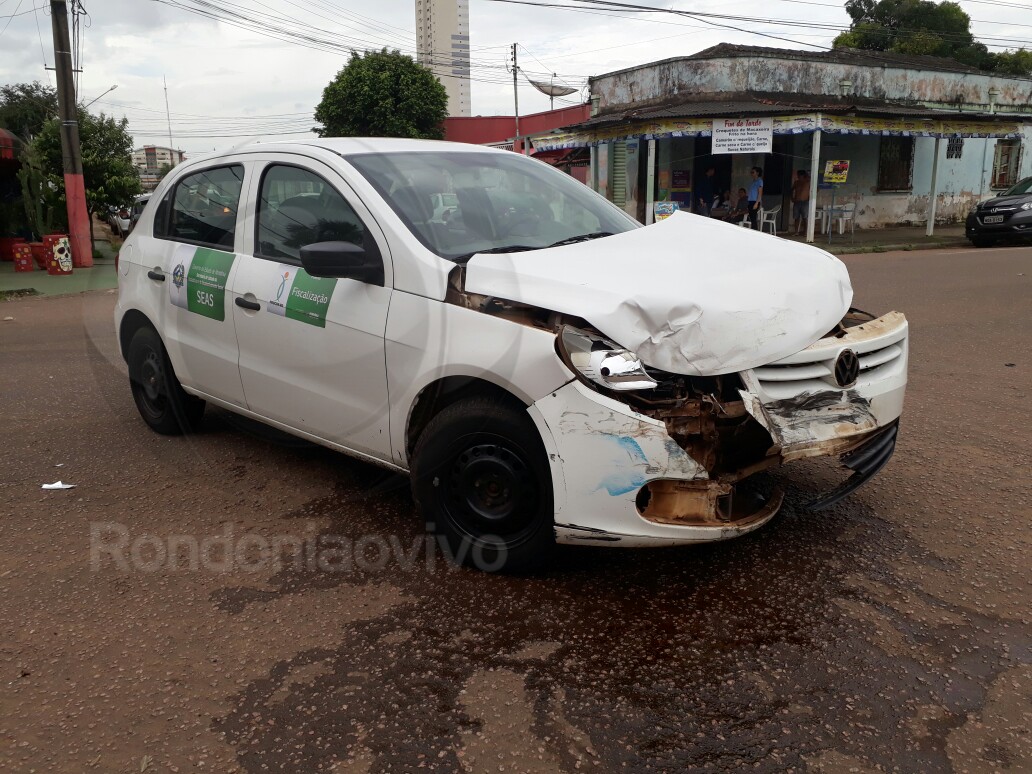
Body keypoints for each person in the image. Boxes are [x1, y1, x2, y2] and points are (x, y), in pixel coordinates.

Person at [791, 169, 811, 235]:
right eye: (798, 175)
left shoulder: (808, 182)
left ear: (803, 175)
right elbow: (792, 190)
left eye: (800, 175)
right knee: (796, 217)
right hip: (797, 201)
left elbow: (816, 189)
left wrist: (809, 197)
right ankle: (796, 231)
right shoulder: (796, 182)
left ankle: (805, 232)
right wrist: (792, 198)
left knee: (805, 217)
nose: (798, 176)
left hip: (805, 201)